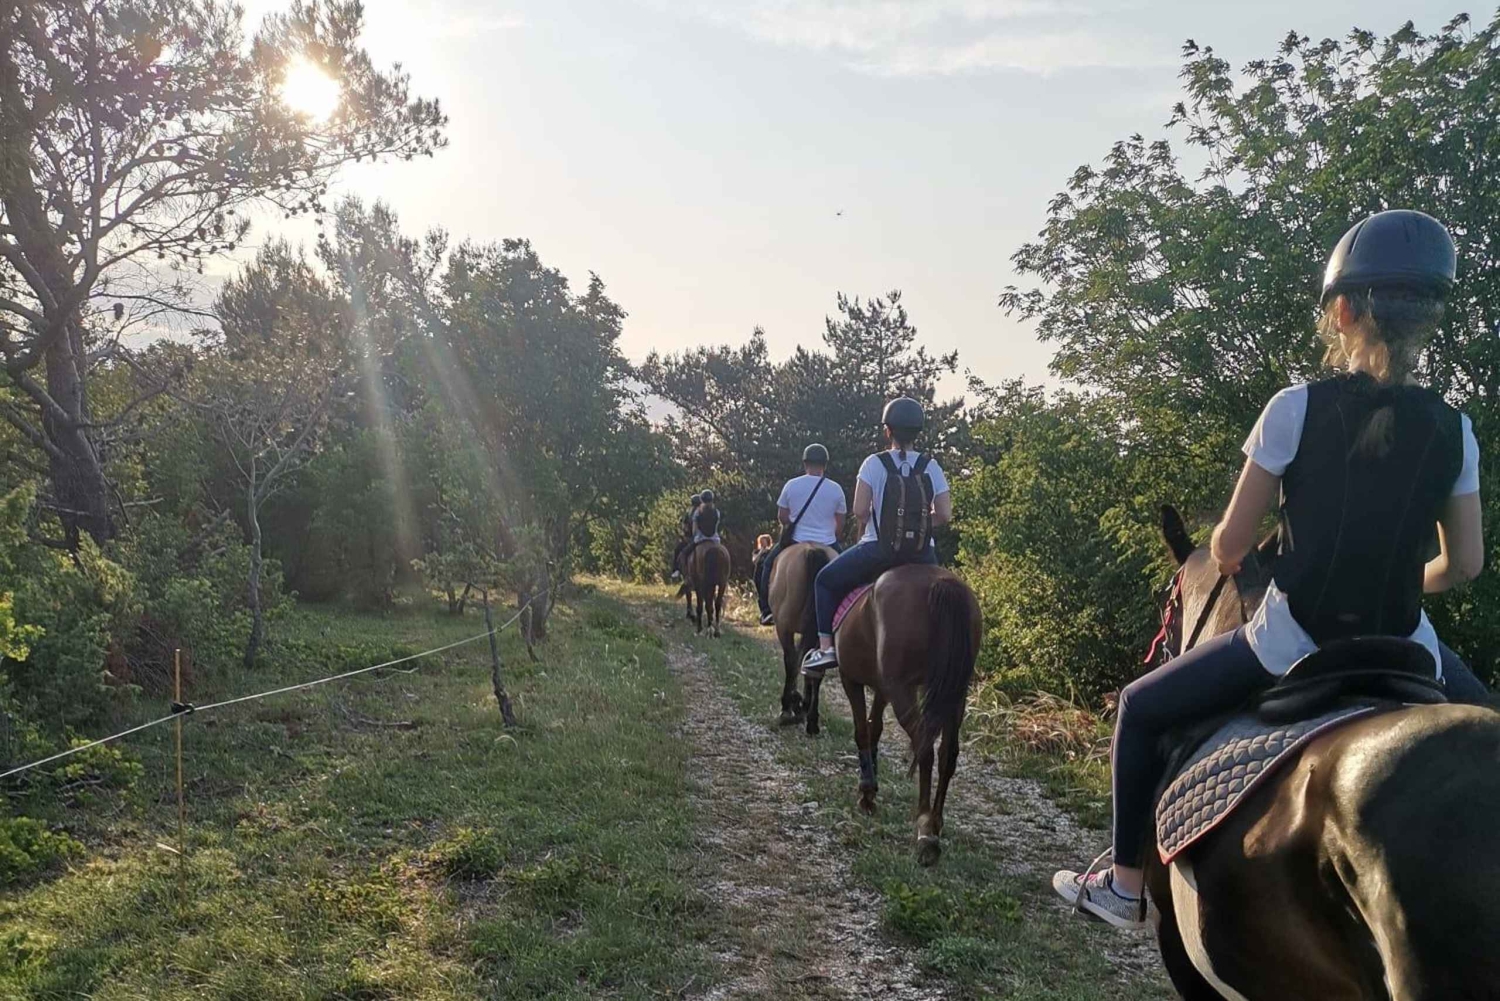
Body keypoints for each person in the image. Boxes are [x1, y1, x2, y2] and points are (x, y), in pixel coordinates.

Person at [1052, 209, 1487, 931]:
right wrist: (1412, 583)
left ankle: (1124, 885)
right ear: (1428, 318)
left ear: (1342, 311)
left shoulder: (1294, 408)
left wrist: (1231, 550)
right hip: (1409, 645)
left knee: (1139, 706)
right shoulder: (1455, 427)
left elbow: (1228, 546)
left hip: (1293, 639)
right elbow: (1465, 563)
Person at [800, 398, 951, 677]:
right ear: (918, 432)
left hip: (878, 549)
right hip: (923, 554)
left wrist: (888, 522)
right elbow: (943, 515)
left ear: (887, 431)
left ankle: (826, 648)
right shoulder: (932, 467)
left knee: (824, 581)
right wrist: (915, 523)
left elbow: (859, 510)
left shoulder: (873, 463)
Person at [754, 443, 849, 626]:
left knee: (765, 565)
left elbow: (782, 517)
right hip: (827, 542)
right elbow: (840, 524)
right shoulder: (836, 489)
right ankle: (845, 616)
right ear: (825, 464)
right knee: (850, 574)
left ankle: (766, 610)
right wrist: (829, 535)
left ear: (805, 464)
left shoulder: (792, 485)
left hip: (795, 540)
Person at [669, 492, 704, 581]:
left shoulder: (689, 513)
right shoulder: (703, 512)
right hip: (705, 538)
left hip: (691, 539)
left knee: (678, 551)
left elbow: (685, 527)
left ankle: (676, 570)